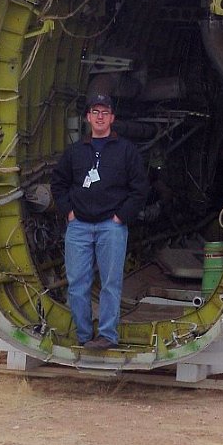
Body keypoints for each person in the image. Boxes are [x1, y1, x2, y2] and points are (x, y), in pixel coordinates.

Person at [51, 93, 149, 350]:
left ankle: (107, 336)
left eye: (105, 112)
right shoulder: (75, 151)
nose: (100, 117)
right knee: (77, 284)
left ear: (113, 118)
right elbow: (58, 182)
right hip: (79, 226)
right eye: (95, 112)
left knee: (110, 283)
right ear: (88, 118)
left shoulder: (126, 151)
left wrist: (121, 217)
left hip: (111, 227)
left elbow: (140, 188)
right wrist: (68, 212)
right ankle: (84, 336)